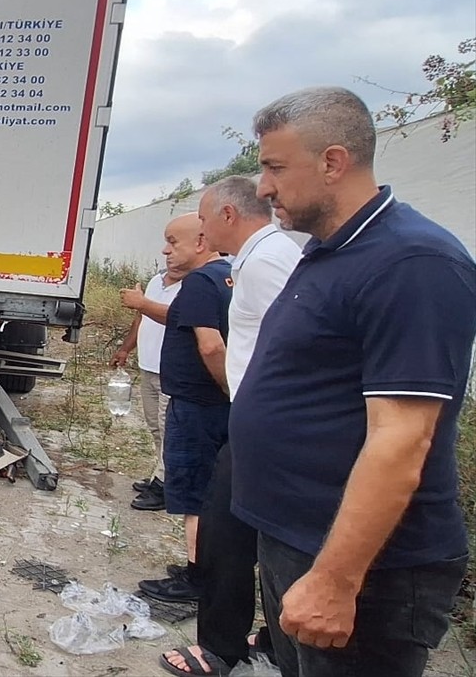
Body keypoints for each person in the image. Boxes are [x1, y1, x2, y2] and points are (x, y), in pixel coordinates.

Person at [232, 86, 475, 677]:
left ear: (333, 162)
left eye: (275, 167)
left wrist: (336, 580)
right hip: (298, 540)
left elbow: (402, 439)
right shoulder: (332, 253)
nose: (263, 188)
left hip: (366, 572)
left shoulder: (412, 263)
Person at [157, 175, 302, 676]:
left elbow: (294, 344)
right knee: (262, 535)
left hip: (266, 422)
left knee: (226, 533)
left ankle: (221, 647)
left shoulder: (264, 262)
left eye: (203, 218)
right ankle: (274, 637)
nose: (200, 230)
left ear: (227, 215)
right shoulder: (259, 259)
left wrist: (247, 402)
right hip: (264, 418)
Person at [137, 212, 232, 605]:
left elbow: (211, 346)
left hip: (197, 405)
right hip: (212, 406)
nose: (166, 250)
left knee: (195, 495)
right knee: (212, 491)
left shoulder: (200, 283)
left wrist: (229, 389)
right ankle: (204, 565)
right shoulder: (228, 277)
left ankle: (197, 579)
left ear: (201, 242)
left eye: (173, 242)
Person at [116, 266, 186, 511]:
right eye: (168, 249)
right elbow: (141, 317)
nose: (169, 252)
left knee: (170, 431)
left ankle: (166, 486)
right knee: (155, 426)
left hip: (171, 371)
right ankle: (161, 473)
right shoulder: (157, 280)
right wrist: (126, 348)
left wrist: (143, 303)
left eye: (175, 247)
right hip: (148, 366)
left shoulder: (194, 285)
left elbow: (177, 318)